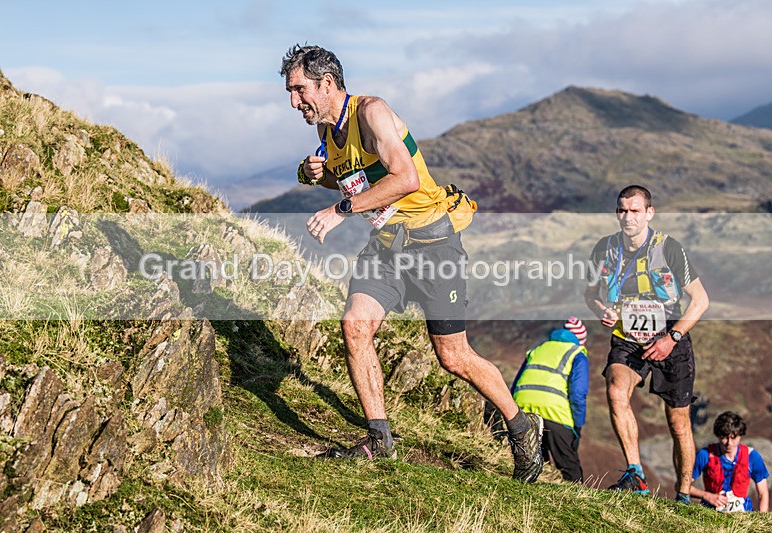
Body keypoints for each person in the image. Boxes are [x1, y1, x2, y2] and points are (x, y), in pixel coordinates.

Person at [280, 43, 544, 482]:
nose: (294, 101)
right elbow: (355, 180)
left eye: (299, 89)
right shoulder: (328, 131)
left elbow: (406, 179)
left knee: (453, 356)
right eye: (289, 92)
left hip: (433, 247)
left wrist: (340, 211)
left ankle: (521, 426)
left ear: (327, 84)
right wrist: (314, 176)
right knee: (354, 325)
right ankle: (379, 441)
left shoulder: (373, 113)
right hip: (386, 247)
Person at [584, 185, 709, 503]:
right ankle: (635, 472)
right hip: (627, 337)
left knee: (678, 421)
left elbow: (700, 301)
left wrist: (673, 338)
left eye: (635, 210)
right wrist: (603, 310)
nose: (628, 216)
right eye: (622, 210)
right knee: (615, 390)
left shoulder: (668, 248)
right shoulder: (604, 249)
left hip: (670, 336)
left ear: (649, 213)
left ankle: (682, 495)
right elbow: (590, 294)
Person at [512, 316, 590, 482]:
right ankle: (578, 500)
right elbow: (578, 393)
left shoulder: (537, 350)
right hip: (555, 414)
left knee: (535, 460)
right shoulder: (577, 354)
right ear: (580, 341)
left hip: (523, 408)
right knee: (569, 466)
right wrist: (578, 425)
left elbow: (516, 383)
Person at [690, 411, 769, 512]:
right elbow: (682, 485)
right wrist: (707, 496)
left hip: (743, 514)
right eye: (724, 437)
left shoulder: (752, 457)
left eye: (734, 437)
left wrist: (761, 523)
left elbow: (763, 493)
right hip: (711, 513)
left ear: (740, 435)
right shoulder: (705, 455)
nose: (729, 443)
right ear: (718, 435)